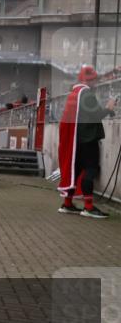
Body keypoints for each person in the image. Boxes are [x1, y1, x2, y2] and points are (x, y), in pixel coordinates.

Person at [57, 65, 116, 219]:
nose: (96, 83)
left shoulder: (75, 93)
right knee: (91, 169)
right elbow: (96, 115)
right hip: (88, 139)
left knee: (75, 171)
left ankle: (67, 203)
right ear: (89, 80)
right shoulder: (87, 94)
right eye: (94, 80)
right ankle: (88, 207)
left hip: (77, 140)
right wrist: (109, 108)